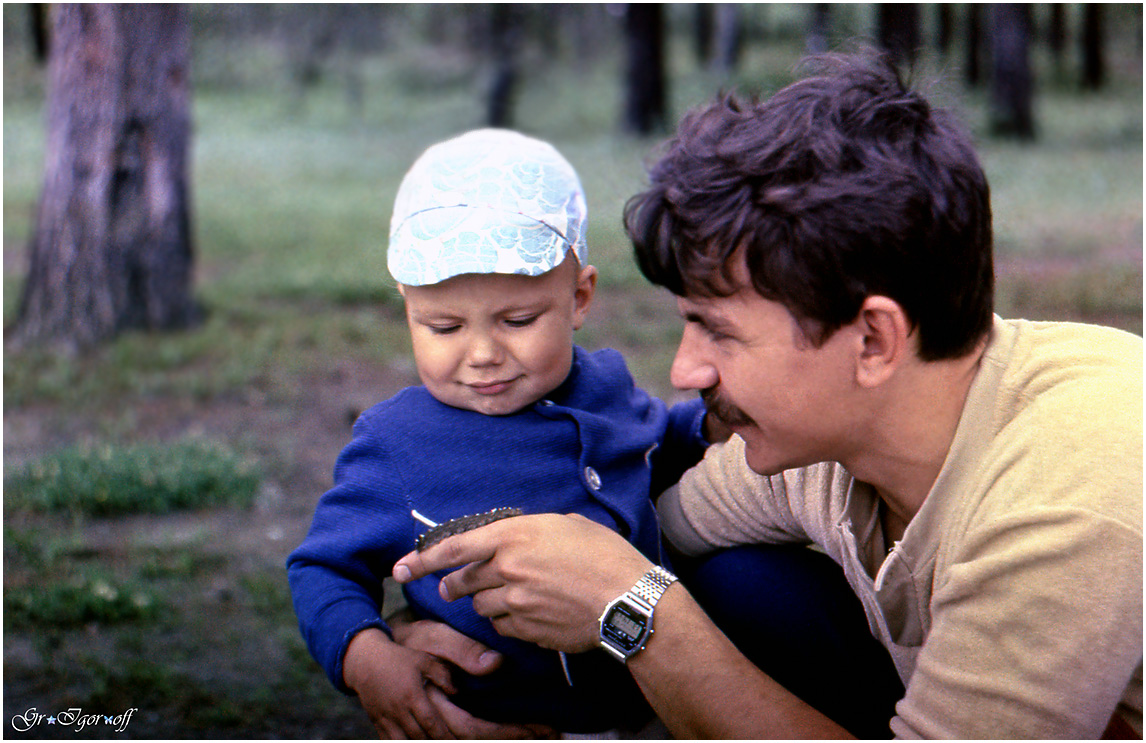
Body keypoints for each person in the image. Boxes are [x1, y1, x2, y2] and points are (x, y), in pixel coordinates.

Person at [392, 52, 1143, 739]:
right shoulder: (819, 450)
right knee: (739, 586)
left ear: (874, 340)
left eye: (718, 331)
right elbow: (639, 538)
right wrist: (431, 624)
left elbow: (623, 586)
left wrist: (636, 612)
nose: (686, 371)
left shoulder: (1070, 492)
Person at [286, 128, 716, 738]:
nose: (483, 353)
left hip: (655, 708)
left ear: (580, 297)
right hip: (499, 719)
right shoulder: (397, 444)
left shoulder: (606, 387)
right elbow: (323, 568)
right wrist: (365, 655)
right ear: (407, 309)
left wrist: (714, 423)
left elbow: (660, 443)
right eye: (443, 327)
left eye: (518, 320)